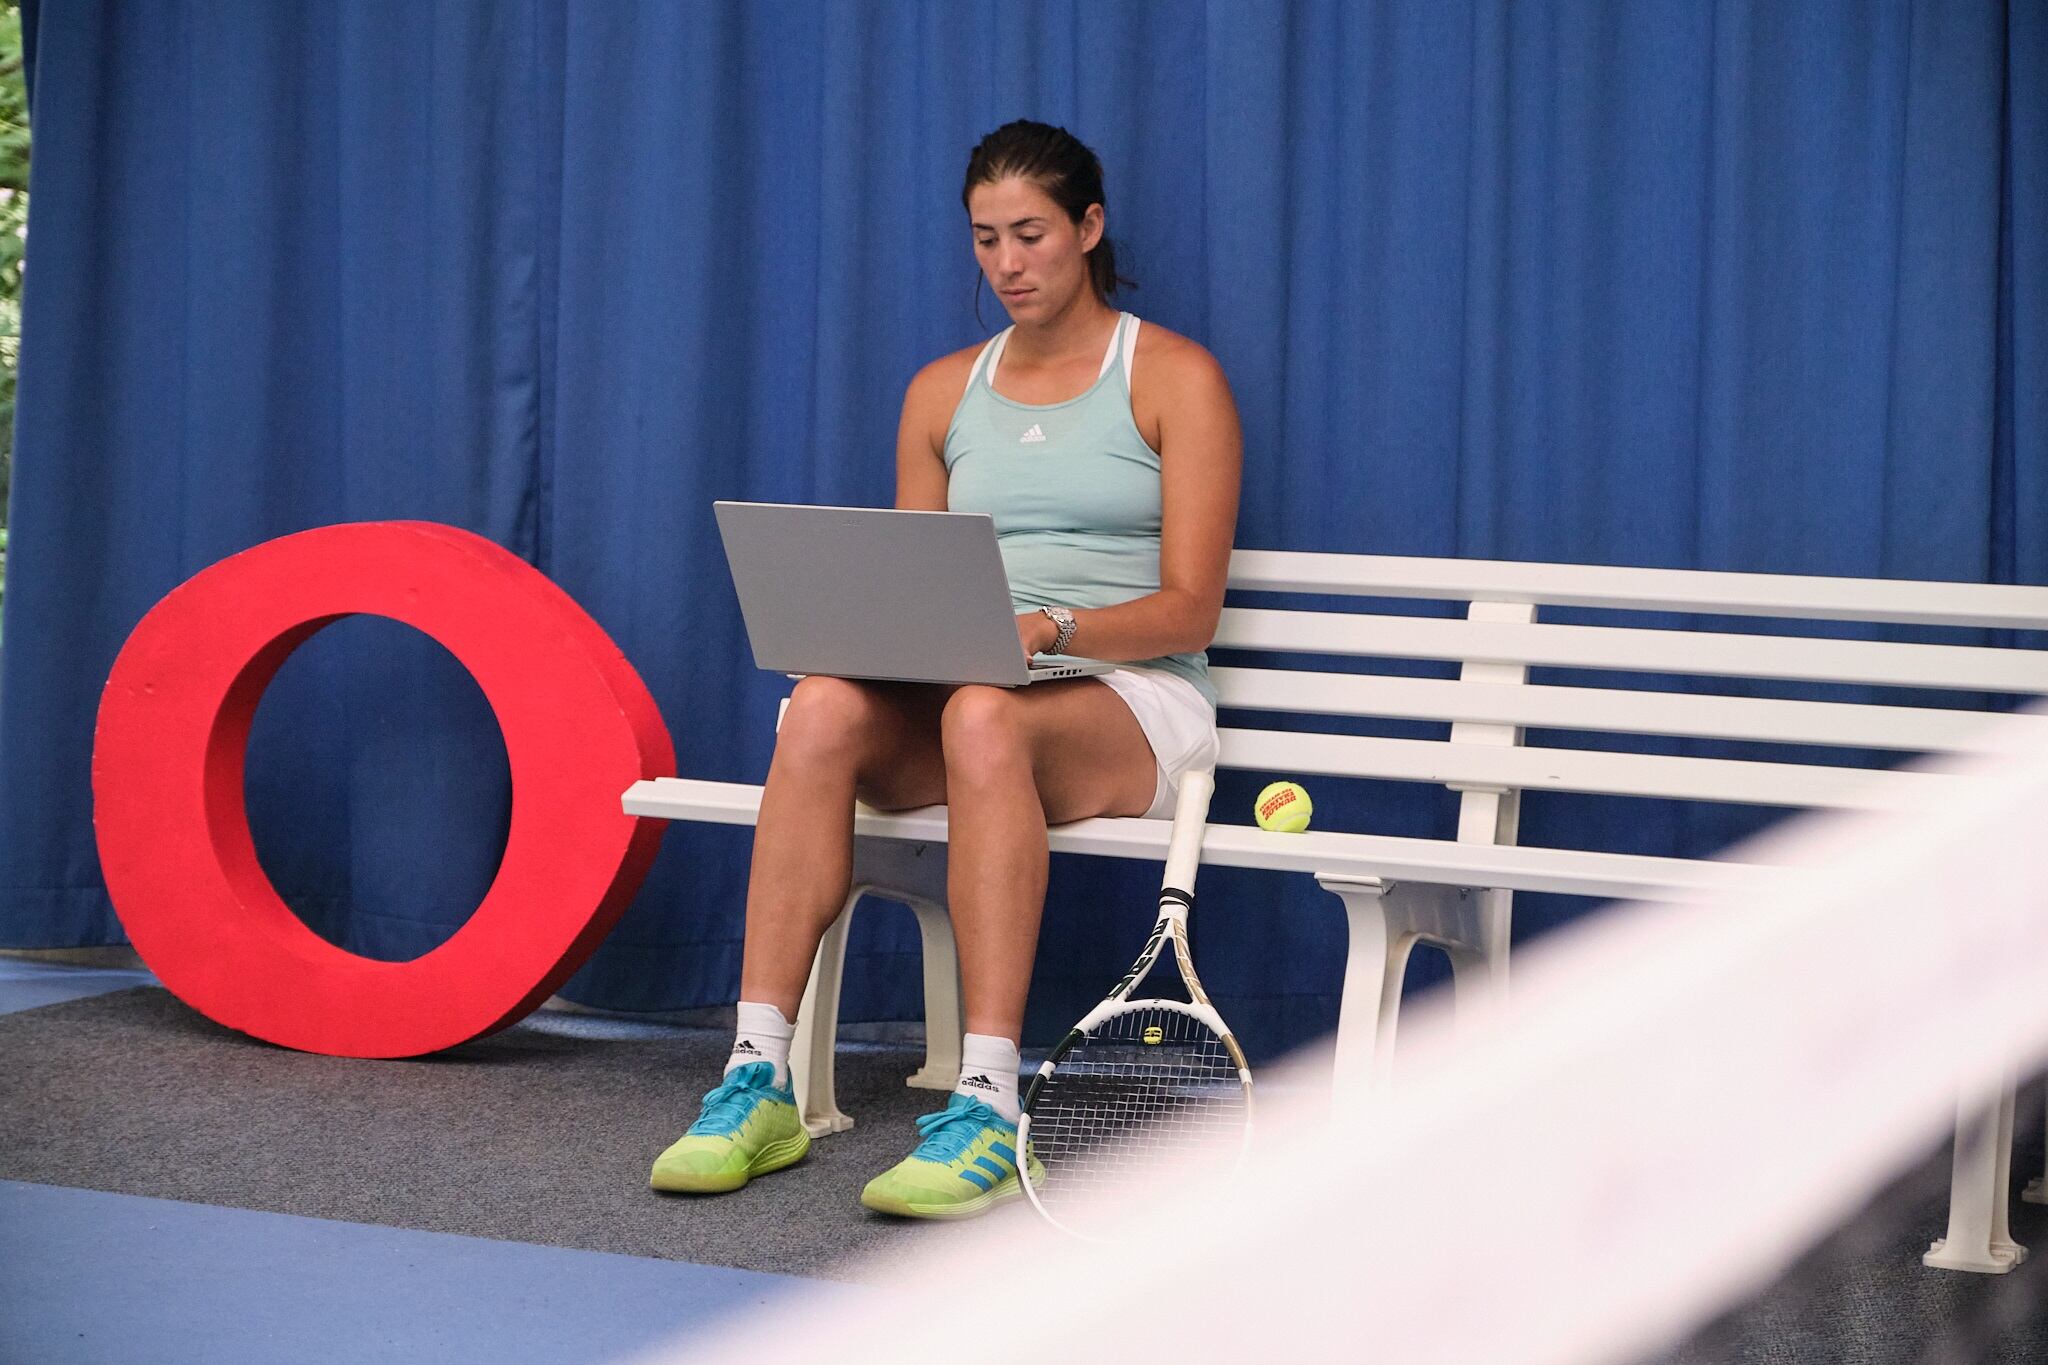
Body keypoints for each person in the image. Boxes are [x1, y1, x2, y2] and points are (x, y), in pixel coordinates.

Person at [650, 119, 1243, 1219]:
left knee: (980, 715)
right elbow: (915, 589)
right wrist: (869, 644)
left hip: (1135, 699)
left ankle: (987, 1102)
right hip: (983, 692)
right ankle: (756, 1078)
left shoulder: (1174, 376)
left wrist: (1049, 629)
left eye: (1030, 234)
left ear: (1089, 228)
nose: (1007, 263)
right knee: (820, 708)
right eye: (985, 238)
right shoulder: (940, 392)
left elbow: (1188, 608)